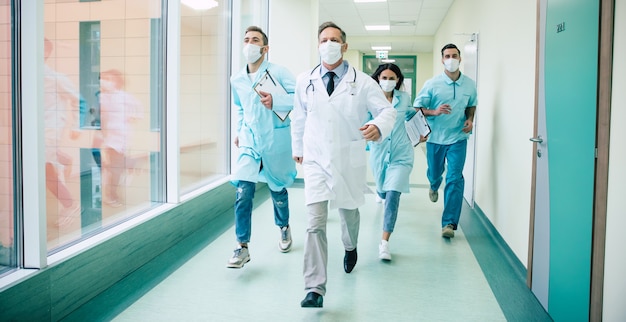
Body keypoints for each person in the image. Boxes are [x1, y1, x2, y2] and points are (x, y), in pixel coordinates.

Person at [291, 21, 396, 308]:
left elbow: (387, 111)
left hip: (347, 158)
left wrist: (377, 125)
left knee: (349, 213)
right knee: (315, 223)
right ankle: (314, 288)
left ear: (344, 46)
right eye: (324, 39)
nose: (329, 44)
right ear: (318, 45)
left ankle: (350, 247)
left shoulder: (362, 82)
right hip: (315, 159)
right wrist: (297, 148)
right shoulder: (305, 80)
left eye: (334, 39)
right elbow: (299, 117)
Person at [227, 26, 297, 268]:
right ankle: (241, 246)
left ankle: (284, 226)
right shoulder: (236, 78)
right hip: (249, 140)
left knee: (277, 189)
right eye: (246, 40)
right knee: (243, 191)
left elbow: (299, 97)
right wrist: (239, 131)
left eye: (255, 40)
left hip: (275, 139)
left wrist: (276, 100)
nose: (249, 44)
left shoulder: (279, 71)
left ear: (265, 49)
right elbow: (239, 107)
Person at [413, 43, 477, 239]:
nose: (451, 59)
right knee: (435, 173)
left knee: (455, 177)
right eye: (447, 56)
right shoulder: (432, 84)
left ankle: (449, 222)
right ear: (442, 60)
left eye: (454, 55)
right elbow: (418, 108)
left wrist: (470, 119)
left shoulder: (469, 84)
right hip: (436, 138)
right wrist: (434, 111)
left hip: (458, 138)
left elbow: (471, 105)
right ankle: (433, 184)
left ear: (460, 58)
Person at [368, 63, 415, 261]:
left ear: (398, 80)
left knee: (393, 193)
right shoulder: (370, 99)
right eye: (384, 77)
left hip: (402, 154)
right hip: (379, 152)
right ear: (377, 79)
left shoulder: (404, 98)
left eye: (392, 78)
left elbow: (413, 114)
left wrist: (429, 118)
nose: (387, 81)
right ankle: (380, 192)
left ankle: (384, 242)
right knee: (382, 187)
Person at [97, 69, 144, 208]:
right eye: (102, 78)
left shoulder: (125, 96)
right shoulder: (101, 97)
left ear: (117, 82)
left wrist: (134, 117)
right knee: (113, 165)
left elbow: (139, 108)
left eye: (108, 79)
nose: (104, 81)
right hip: (108, 136)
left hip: (121, 135)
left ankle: (111, 196)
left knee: (114, 167)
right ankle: (133, 162)